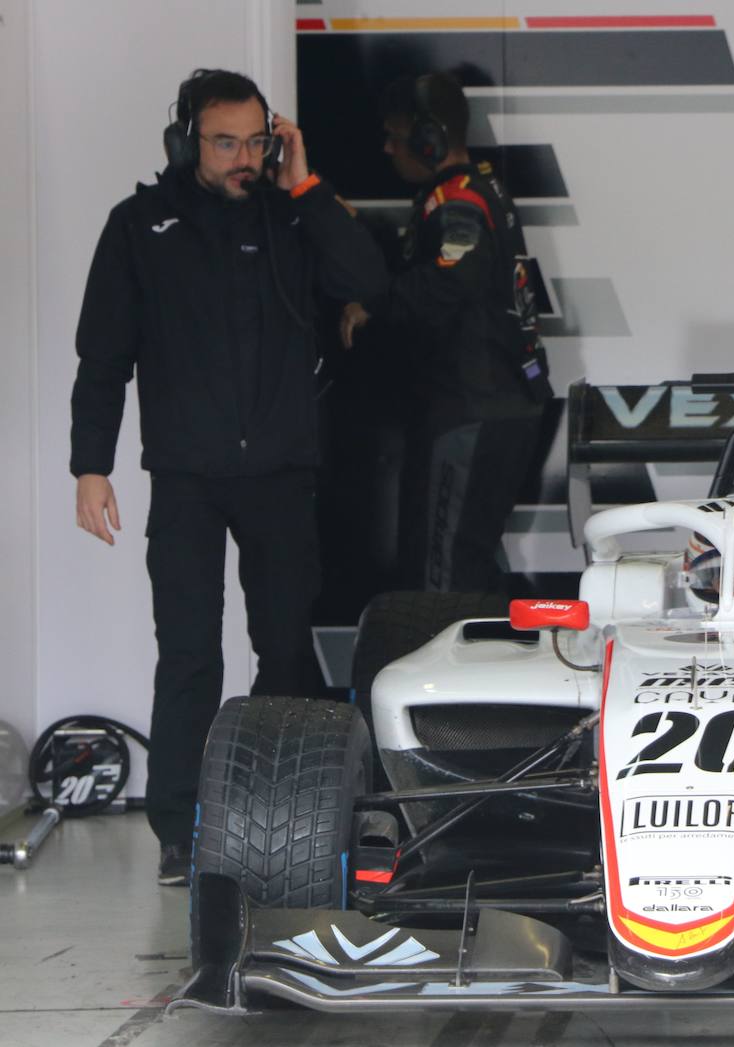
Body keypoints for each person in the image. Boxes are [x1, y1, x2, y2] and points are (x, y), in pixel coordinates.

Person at [70, 69, 387, 885]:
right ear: (186, 141)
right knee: (188, 654)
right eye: (225, 142)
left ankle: (283, 812)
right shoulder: (139, 227)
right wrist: (90, 466)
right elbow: (102, 359)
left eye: (256, 141)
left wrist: (306, 182)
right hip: (186, 477)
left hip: (281, 473)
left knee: (282, 647)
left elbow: (367, 282)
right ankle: (180, 828)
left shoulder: (294, 218)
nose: (244, 158)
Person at [340, 72, 553, 596]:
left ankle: (442, 677)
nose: (387, 147)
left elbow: (452, 278)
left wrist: (371, 308)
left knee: (440, 574)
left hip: (471, 411)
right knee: (463, 562)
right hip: (490, 405)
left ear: (428, 138)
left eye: (395, 134)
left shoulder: (460, 201)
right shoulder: (480, 188)